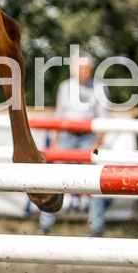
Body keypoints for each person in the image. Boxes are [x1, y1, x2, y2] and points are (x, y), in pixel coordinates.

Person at [39, 54, 112, 236]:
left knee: (94, 181)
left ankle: (96, 227)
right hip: (67, 136)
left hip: (89, 138)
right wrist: (55, 144)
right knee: (54, 180)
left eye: (87, 69)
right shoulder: (66, 87)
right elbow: (59, 115)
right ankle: (45, 224)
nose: (85, 72)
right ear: (74, 70)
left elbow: (104, 119)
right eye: (81, 69)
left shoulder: (99, 88)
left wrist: (96, 144)